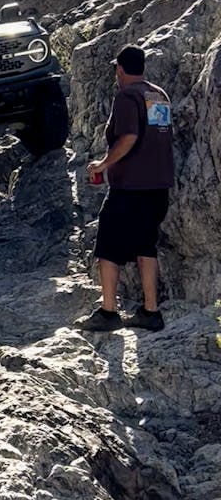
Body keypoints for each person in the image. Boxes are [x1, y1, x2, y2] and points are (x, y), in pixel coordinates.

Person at [74, 44, 174, 332]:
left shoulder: (126, 96)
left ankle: (108, 312)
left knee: (107, 244)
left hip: (131, 188)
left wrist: (103, 164)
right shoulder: (158, 95)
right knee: (146, 245)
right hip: (159, 187)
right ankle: (150, 312)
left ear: (119, 69)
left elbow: (129, 137)